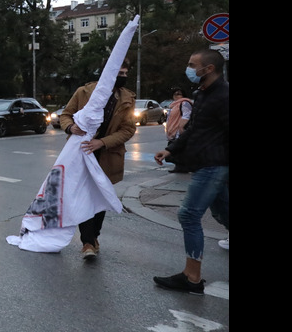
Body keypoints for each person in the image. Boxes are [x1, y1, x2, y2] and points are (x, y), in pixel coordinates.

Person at [153, 49, 229, 294]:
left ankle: (192, 277)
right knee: (223, 211)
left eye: (192, 64)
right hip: (206, 163)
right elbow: (193, 129)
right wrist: (170, 150)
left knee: (188, 214)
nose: (188, 69)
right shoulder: (201, 94)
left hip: (215, 164)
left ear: (208, 69)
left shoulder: (224, 96)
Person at [58, 59, 136, 260]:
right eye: (119, 72)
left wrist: (102, 142)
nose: (123, 77)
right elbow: (66, 115)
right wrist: (70, 127)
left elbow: (128, 129)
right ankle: (87, 242)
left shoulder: (127, 98)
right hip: (81, 153)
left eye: (126, 73)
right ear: (107, 72)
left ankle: (93, 237)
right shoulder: (83, 92)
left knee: (99, 198)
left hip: (107, 154)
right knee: (84, 196)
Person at [163, 87, 193, 172]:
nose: (176, 96)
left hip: (179, 130)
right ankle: (180, 167)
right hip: (172, 130)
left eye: (179, 94)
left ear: (183, 95)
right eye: (175, 94)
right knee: (177, 151)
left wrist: (181, 127)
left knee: (176, 150)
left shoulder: (184, 103)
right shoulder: (174, 105)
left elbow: (187, 115)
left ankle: (184, 167)